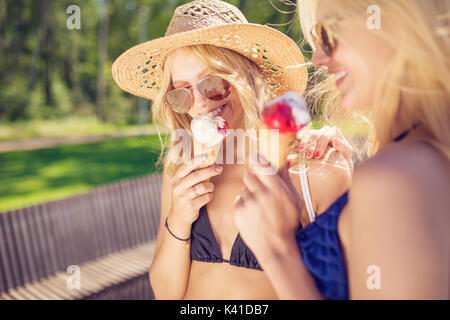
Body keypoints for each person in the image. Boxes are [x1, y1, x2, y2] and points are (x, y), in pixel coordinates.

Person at [112, 0, 352, 299]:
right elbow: (165, 293)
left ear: (247, 77)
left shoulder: (314, 168)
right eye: (181, 91)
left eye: (211, 83)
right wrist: (179, 218)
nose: (198, 104)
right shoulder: (182, 170)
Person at [234, 0, 450, 299]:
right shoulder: (419, 156)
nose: (318, 58)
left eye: (328, 36)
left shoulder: (396, 175)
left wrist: (276, 249)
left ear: (394, 22)